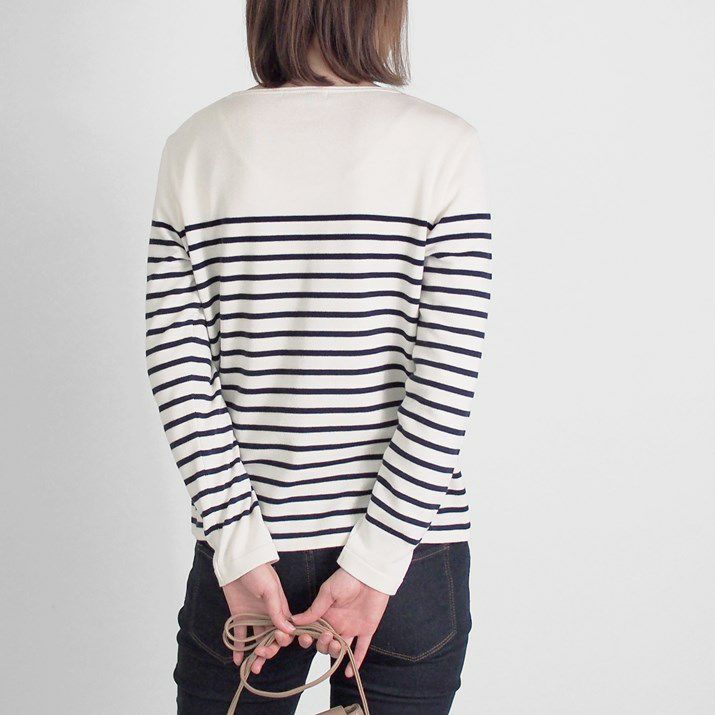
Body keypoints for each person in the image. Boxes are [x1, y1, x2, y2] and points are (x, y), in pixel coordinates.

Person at [145, 1, 492, 712]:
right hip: (410, 555)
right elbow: (445, 377)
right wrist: (375, 561)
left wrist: (239, 549)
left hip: (251, 556)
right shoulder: (444, 144)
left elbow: (178, 369)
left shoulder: (196, 146)